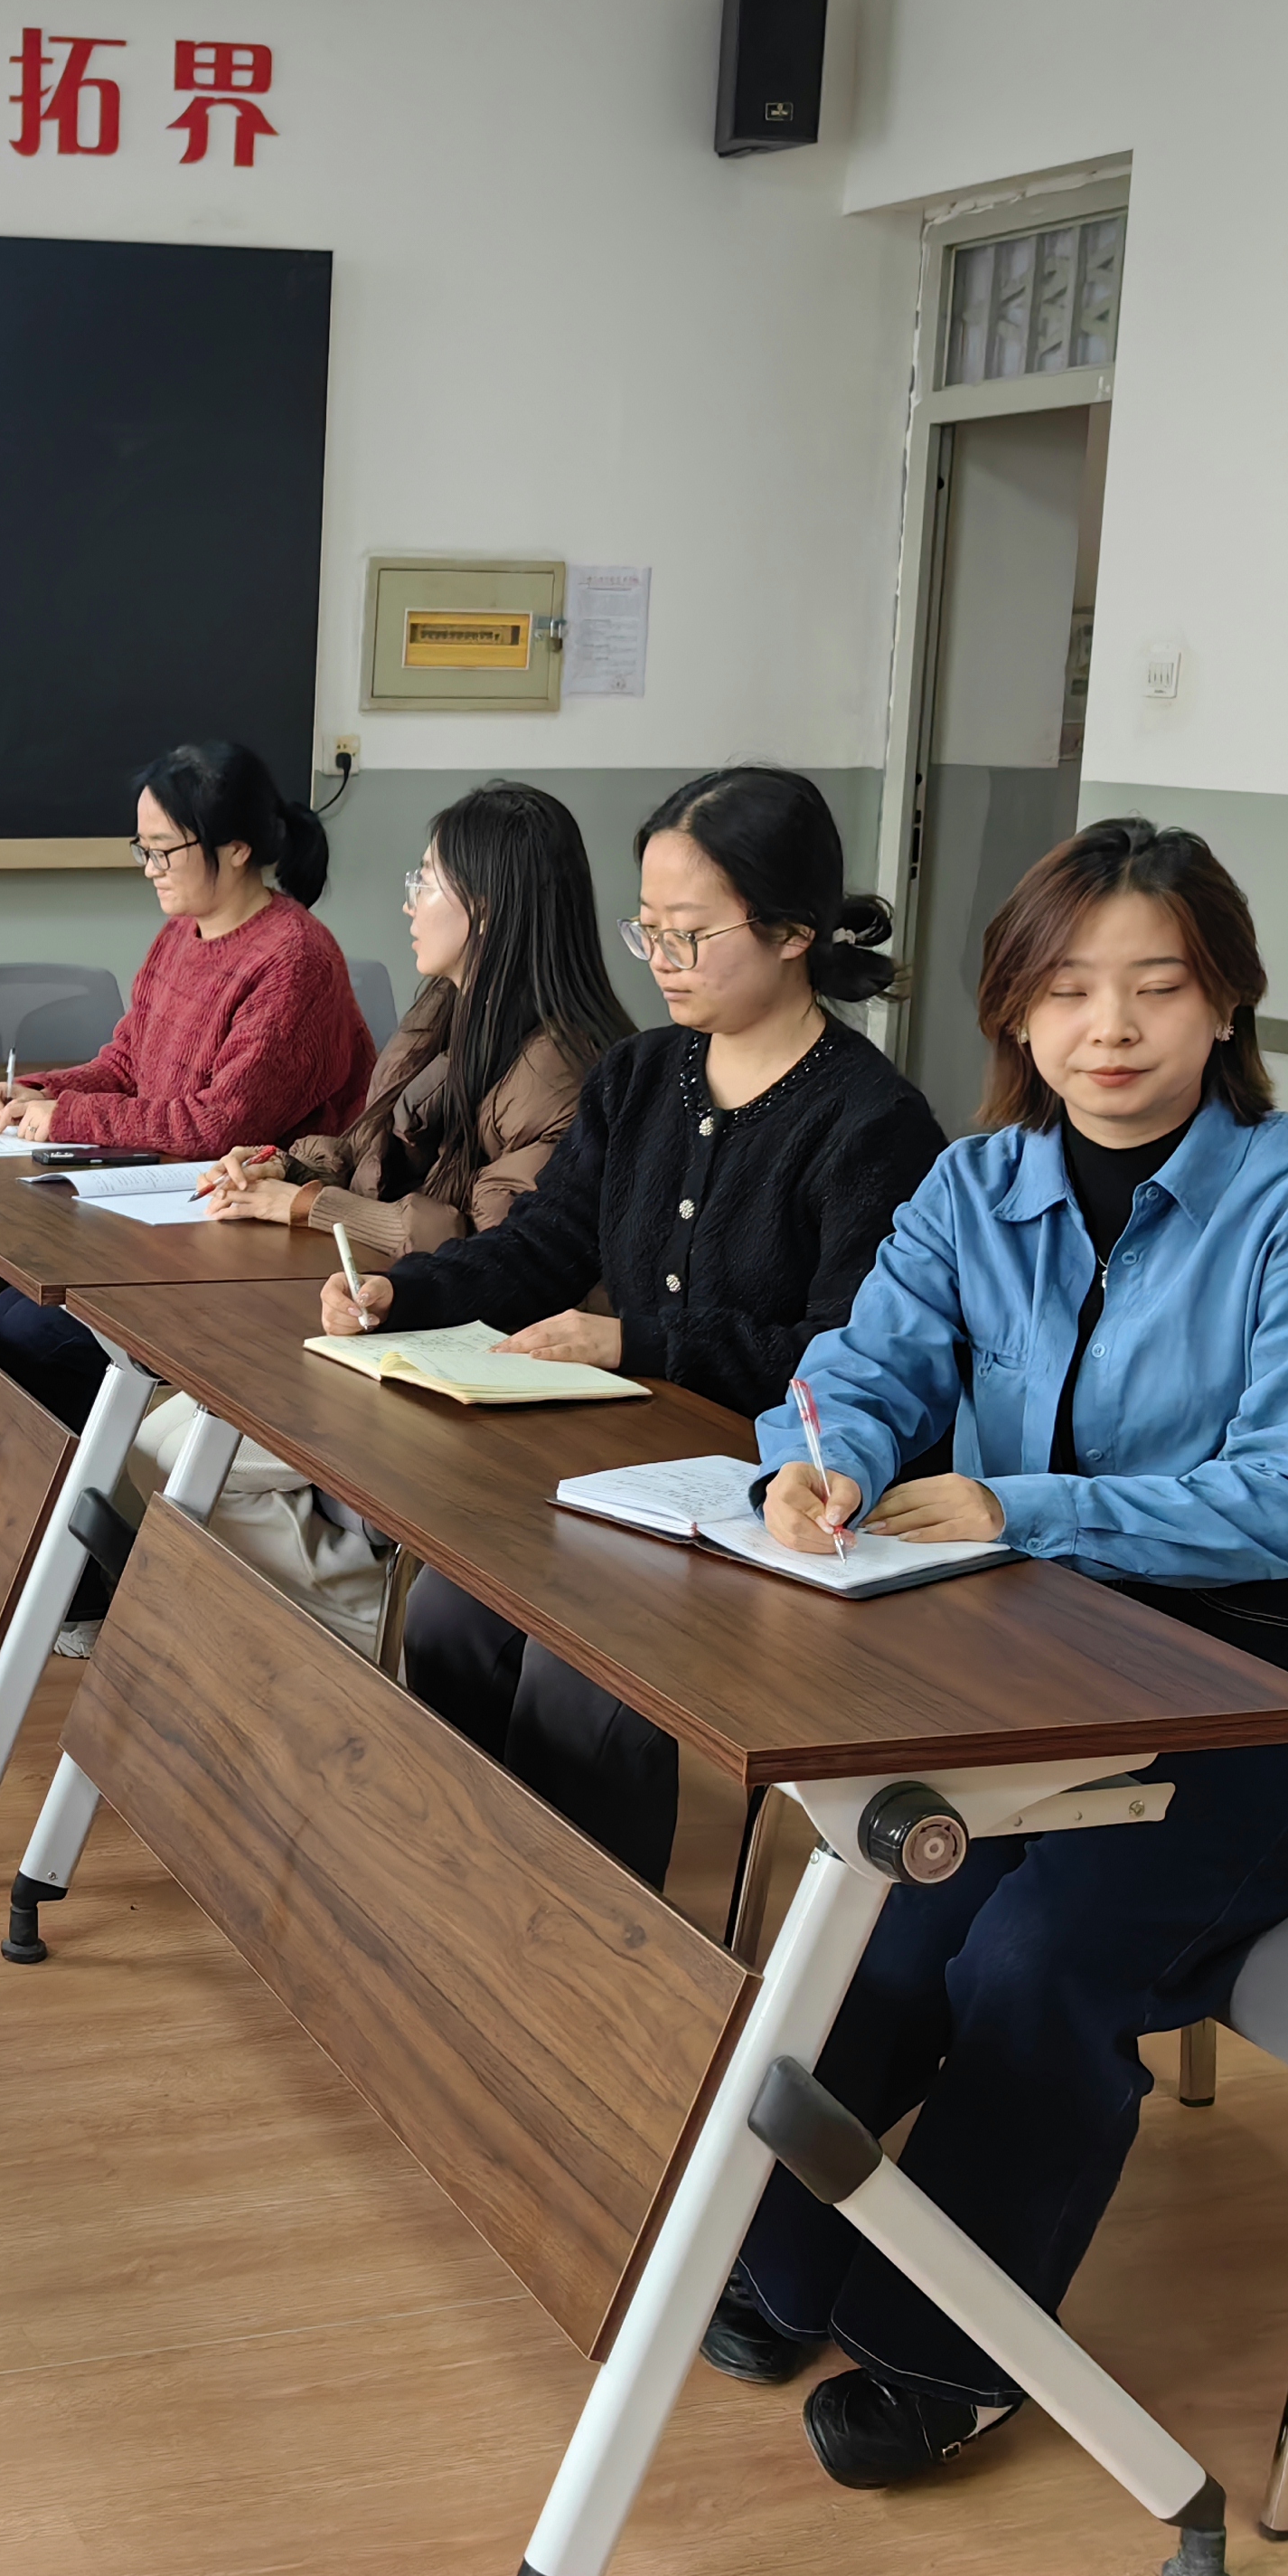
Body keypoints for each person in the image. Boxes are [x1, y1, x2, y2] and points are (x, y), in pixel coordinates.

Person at [711, 819, 1288, 2491]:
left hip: (1264, 1696)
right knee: (887, 1928)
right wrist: (821, 1460)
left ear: (1225, 1002)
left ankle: (948, 2351)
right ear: (1015, 1009)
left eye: (1158, 986)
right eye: (1070, 989)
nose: (1112, 1027)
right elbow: (860, 1366)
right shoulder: (976, 1183)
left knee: (1035, 1961)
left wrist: (1027, 1507)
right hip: (1040, 1670)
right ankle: (776, 2261)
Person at [324, 766, 944, 1881]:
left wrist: (638, 1343)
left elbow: (846, 1358)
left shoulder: (872, 1122)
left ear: (792, 932)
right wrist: (402, 1296)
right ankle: (456, 1889)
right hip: (622, 1472)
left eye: (689, 934)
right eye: (647, 930)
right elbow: (542, 1246)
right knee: (451, 1617)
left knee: (583, 1685)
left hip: (771, 1496)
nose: (660, 959)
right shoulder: (640, 1076)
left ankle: (584, 1945)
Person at [137, 781, 632, 1645]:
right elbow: (381, 1149)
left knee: (177, 1456)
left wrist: (309, 1204)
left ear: (486, 906)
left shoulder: (559, 1066)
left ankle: (380, 1632)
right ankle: (365, 1616)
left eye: (425, 881)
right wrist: (285, 1163)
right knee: (158, 1446)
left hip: (487, 1357)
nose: (409, 901)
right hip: (410, 1319)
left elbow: (493, 1248)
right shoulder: (453, 1009)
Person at [0, 739, 371, 1429]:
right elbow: (127, 1064)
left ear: (236, 848)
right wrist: (40, 1092)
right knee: (8, 1298)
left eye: (164, 850)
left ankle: (87, 1495)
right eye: (144, 848)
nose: (149, 868)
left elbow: (219, 1125)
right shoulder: (181, 934)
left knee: (23, 1334)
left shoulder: (294, 959)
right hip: (164, 1209)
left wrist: (71, 1116)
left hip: (252, 1236)